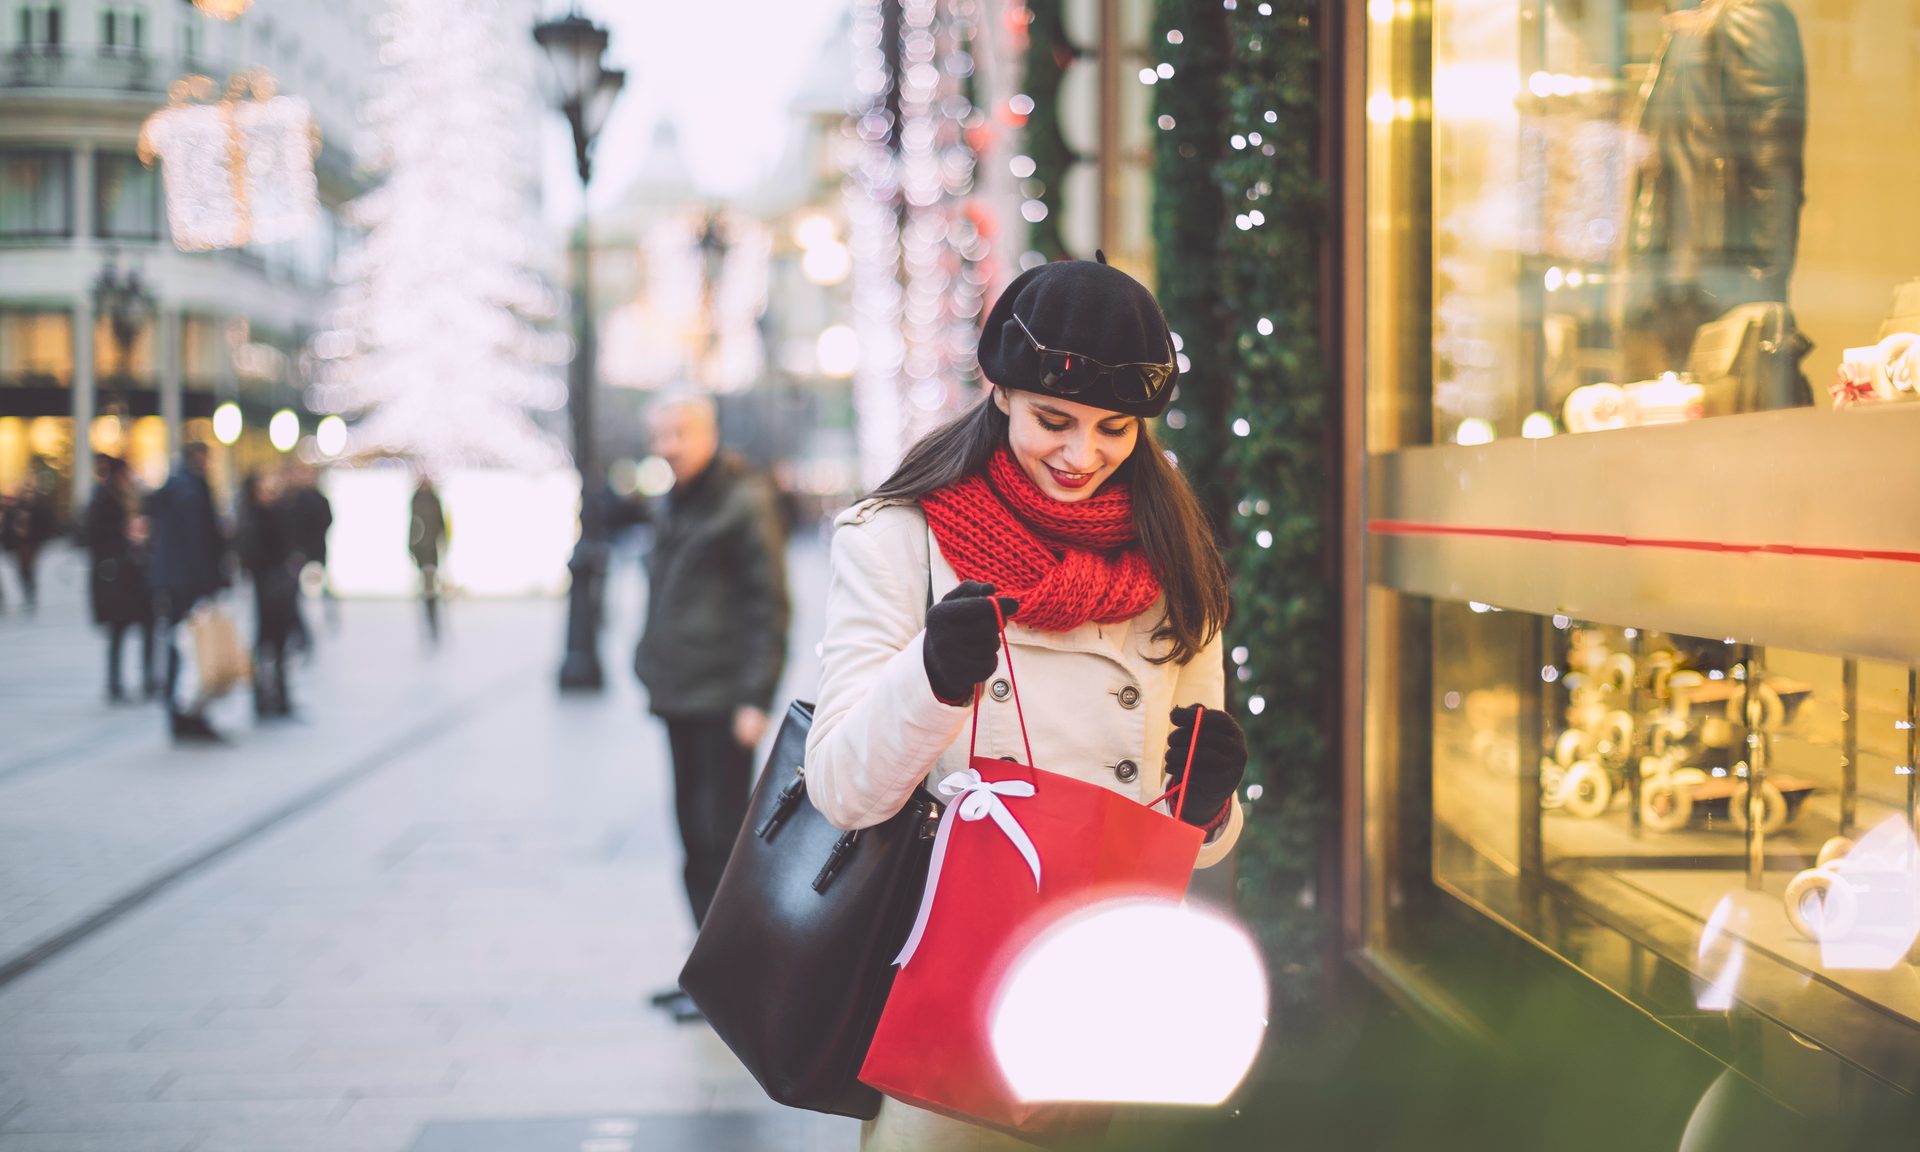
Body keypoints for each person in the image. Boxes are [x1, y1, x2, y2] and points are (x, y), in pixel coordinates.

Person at [803, 257, 1247, 1151]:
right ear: (1000, 391)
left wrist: (1209, 807)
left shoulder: (1176, 556)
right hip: (956, 969)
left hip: (1113, 973)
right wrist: (931, 676)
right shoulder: (899, 539)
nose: (1081, 455)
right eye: (1053, 420)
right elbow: (841, 791)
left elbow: (1189, 837)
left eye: (1114, 429)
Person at [634, 392, 789, 1022]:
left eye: (679, 433)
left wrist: (756, 697)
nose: (667, 446)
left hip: (723, 699)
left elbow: (768, 605)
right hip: (679, 693)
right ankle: (705, 969)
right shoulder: (678, 499)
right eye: (660, 435)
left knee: (721, 838)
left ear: (708, 433)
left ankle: (734, 978)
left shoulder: (742, 501)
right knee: (692, 837)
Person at [147, 442, 231, 742]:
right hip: (189, 583)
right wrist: (210, 583)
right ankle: (187, 712)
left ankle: (180, 711)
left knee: (179, 646)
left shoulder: (173, 487)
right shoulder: (192, 491)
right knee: (191, 648)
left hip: (173, 581)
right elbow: (198, 543)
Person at [87, 456, 157, 702]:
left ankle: (148, 677)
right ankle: (115, 681)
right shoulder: (104, 498)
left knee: (148, 625)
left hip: (137, 575)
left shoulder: (134, 496)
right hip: (117, 577)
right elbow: (94, 537)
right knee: (118, 630)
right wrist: (124, 536)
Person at [238, 471, 300, 718]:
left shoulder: (279, 511)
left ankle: (281, 696)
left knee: (281, 644)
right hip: (264, 589)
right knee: (265, 644)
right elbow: (250, 554)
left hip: (280, 587)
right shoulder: (253, 518)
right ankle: (263, 696)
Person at [282, 462, 334, 646]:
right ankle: (303, 634)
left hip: (313, 555)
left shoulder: (315, 499)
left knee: (314, 592)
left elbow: (325, 522)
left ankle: (313, 631)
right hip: (299, 556)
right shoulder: (291, 499)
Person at [3, 473, 58, 613]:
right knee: (23, 571)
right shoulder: (17, 508)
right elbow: (10, 527)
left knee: (28, 570)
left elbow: (46, 524)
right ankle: (28, 593)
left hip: (31, 543)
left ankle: (30, 594)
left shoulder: (39, 507)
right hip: (20, 544)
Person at [407, 473, 447, 642]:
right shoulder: (415, 500)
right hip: (420, 552)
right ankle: (429, 623)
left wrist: (441, 544)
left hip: (430, 552)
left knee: (430, 589)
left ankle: (433, 623)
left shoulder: (433, 501)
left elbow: (441, 525)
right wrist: (411, 546)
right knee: (424, 589)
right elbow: (413, 525)